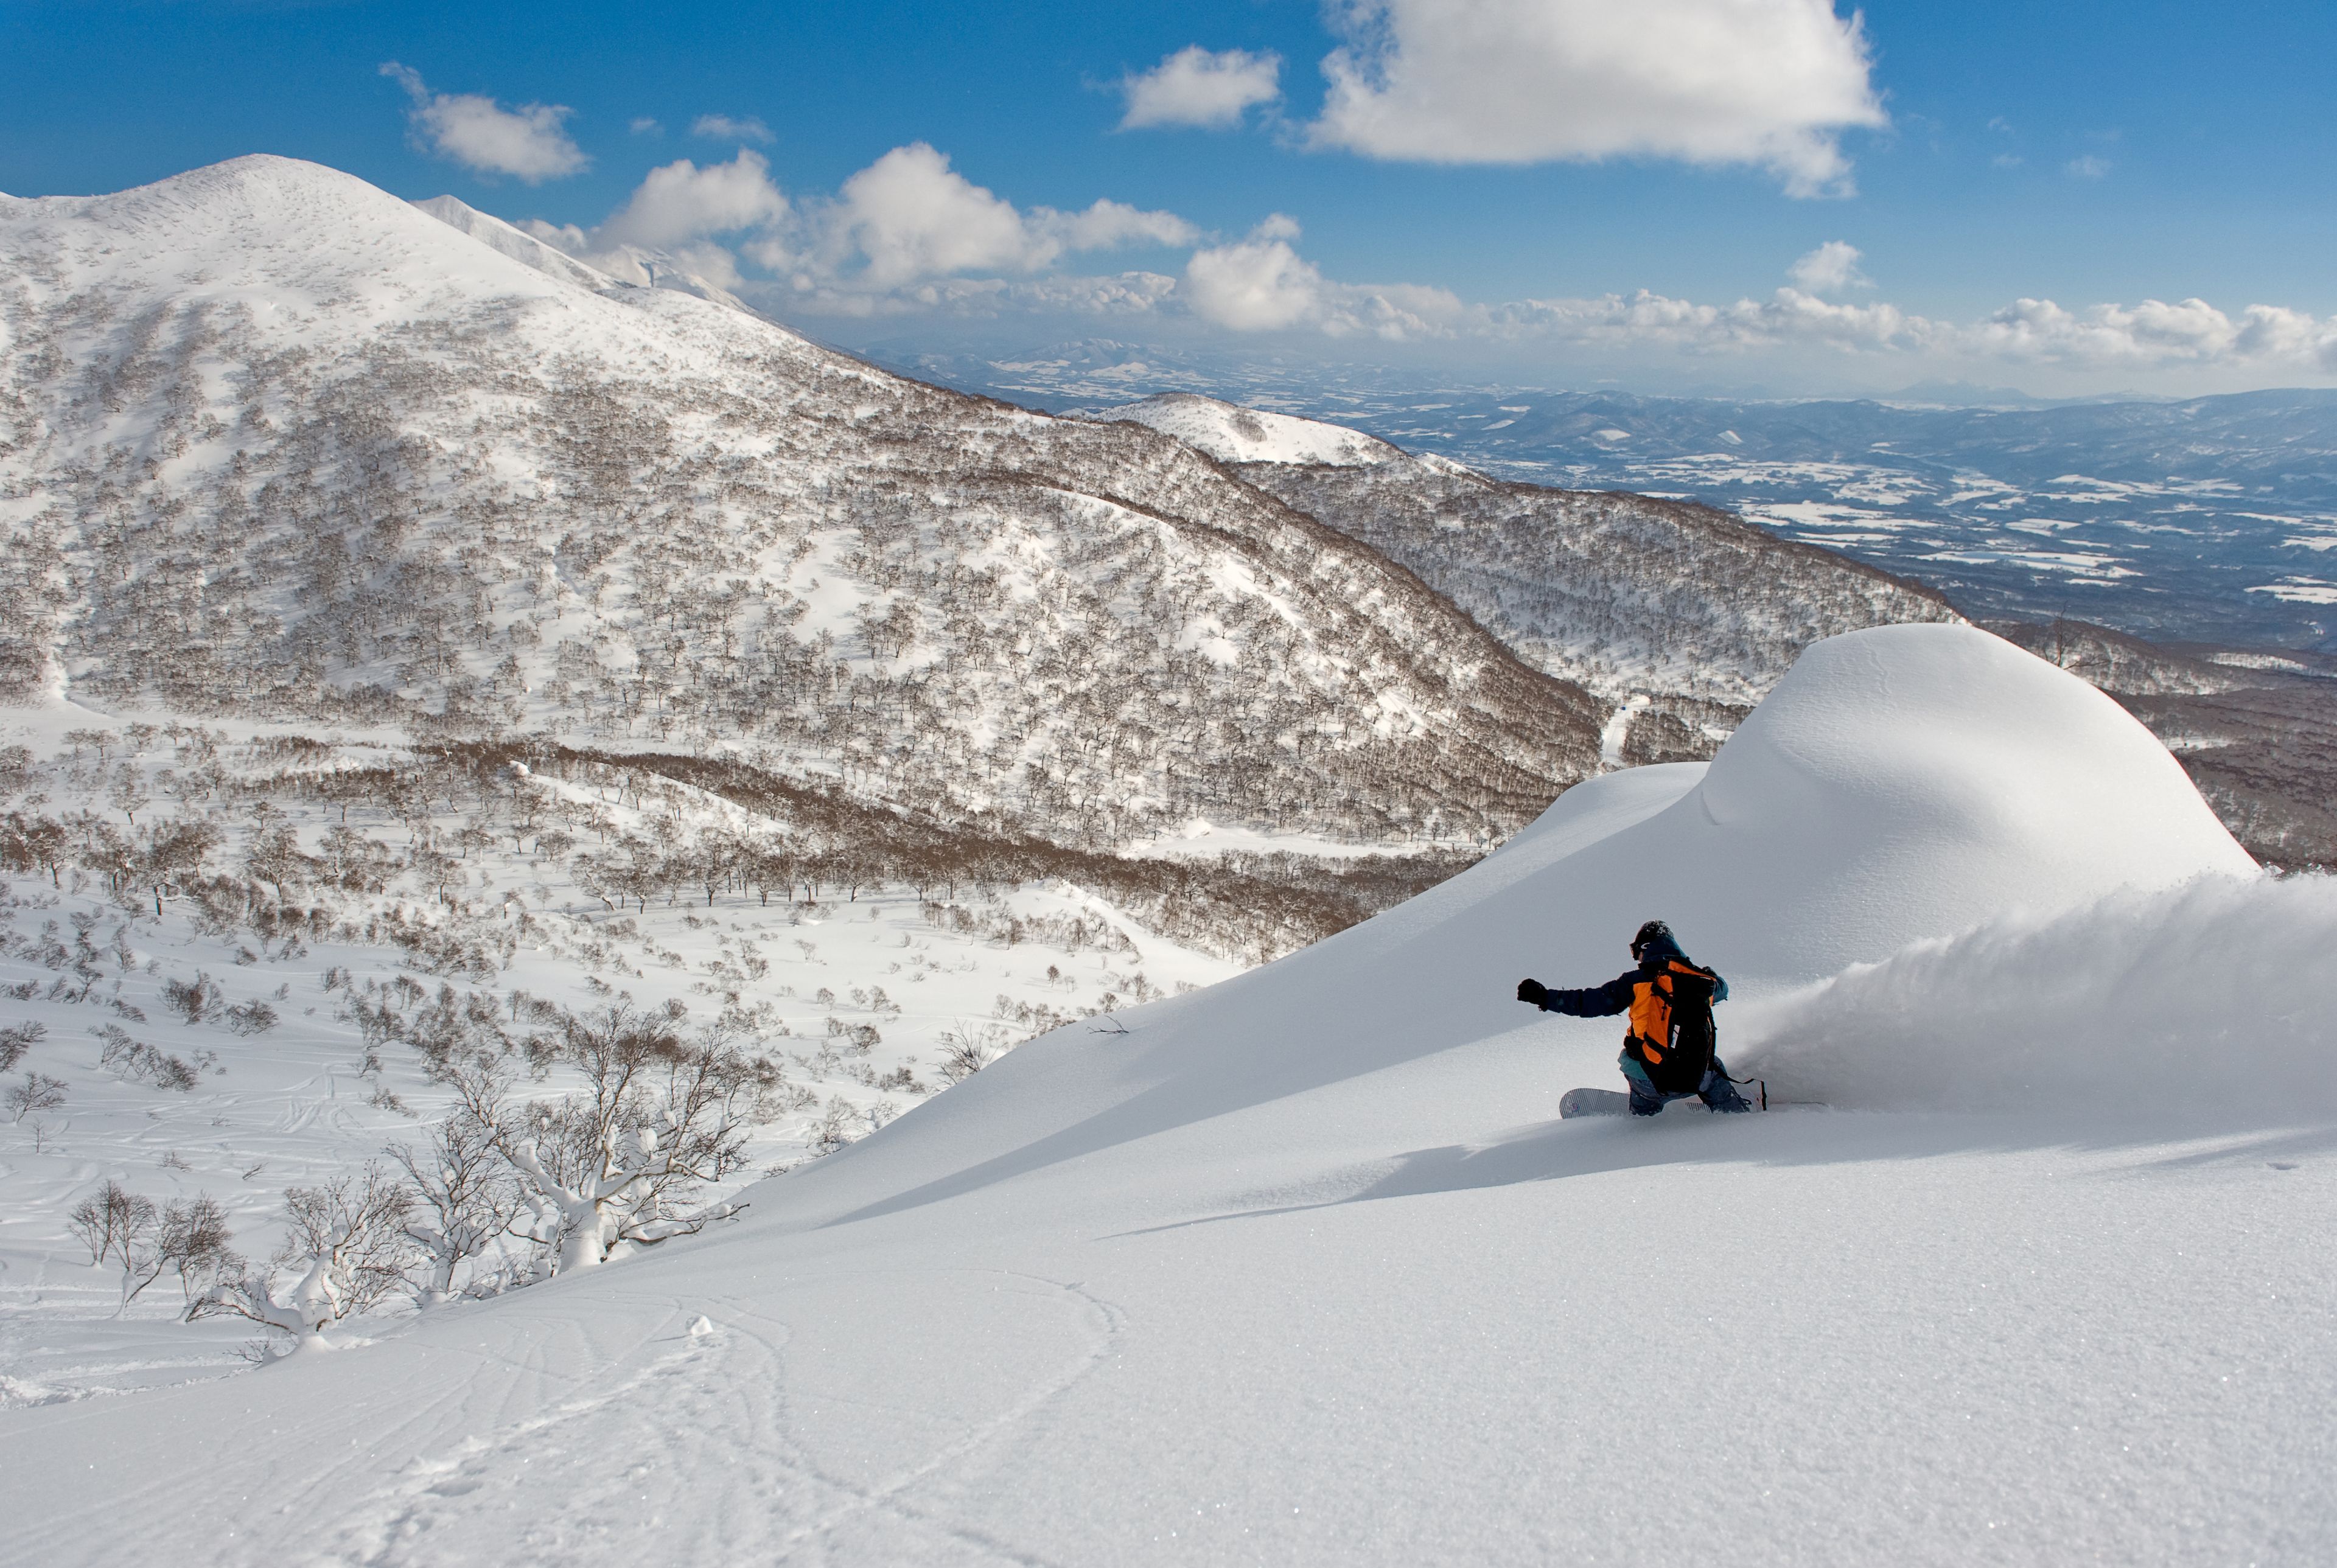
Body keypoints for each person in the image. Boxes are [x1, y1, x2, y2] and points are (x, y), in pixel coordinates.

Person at [1517, 919, 1752, 1116]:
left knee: (1634, 1064)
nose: (1637, 958)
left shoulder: (1635, 982)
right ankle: (1735, 1114)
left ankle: (1643, 1114)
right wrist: (1710, 976)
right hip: (1696, 1076)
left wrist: (1545, 997)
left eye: (1636, 952)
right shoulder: (1700, 982)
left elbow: (1589, 1003)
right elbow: (1723, 988)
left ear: (1646, 948)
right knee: (1714, 1068)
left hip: (1649, 1080)